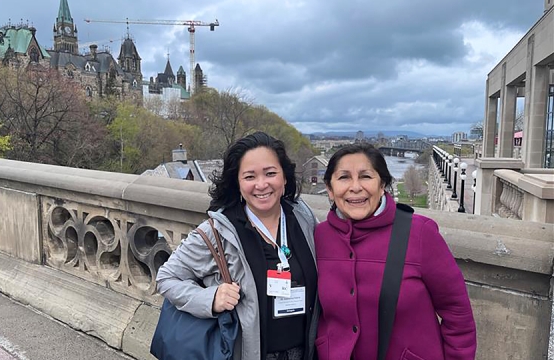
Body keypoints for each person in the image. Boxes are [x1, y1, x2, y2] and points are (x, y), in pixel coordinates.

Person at [156, 131, 319, 360]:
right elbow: (166, 278)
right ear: (238, 183)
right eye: (250, 176)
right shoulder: (217, 232)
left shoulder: (303, 218)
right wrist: (211, 299)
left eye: (270, 173)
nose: (261, 185)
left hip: (305, 352)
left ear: (284, 177)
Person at [314, 143, 476, 360]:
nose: (355, 187)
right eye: (344, 177)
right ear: (330, 189)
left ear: (382, 185)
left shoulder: (419, 233)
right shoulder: (320, 236)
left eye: (365, 177)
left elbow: (457, 313)